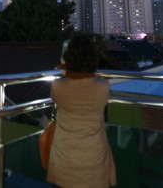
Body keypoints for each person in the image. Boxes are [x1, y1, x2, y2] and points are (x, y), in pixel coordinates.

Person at [46, 34, 117, 188]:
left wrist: (66, 69)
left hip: (65, 154)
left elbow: (56, 98)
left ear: (68, 58)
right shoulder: (103, 86)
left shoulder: (58, 86)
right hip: (94, 154)